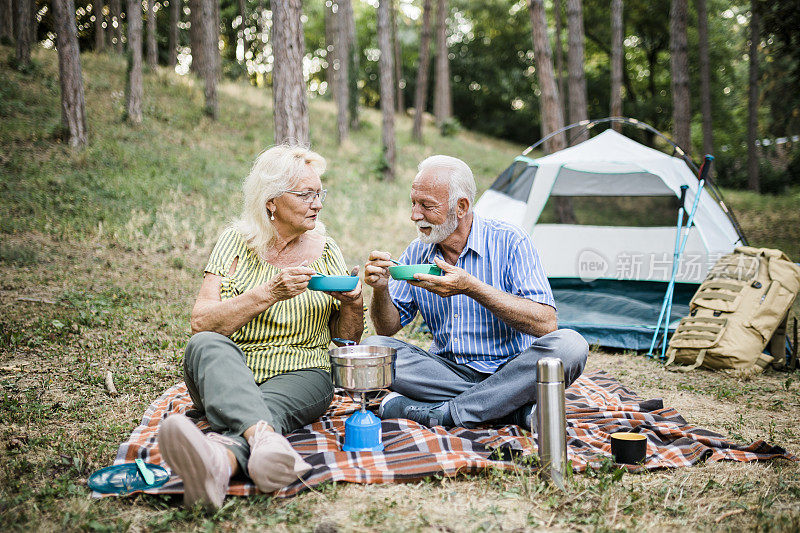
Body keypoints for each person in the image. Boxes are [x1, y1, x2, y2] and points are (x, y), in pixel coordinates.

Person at [158, 144, 363, 511]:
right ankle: (266, 444)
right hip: (231, 371)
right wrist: (270, 292)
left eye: (320, 193)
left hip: (302, 372)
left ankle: (219, 462)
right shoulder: (235, 242)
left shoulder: (328, 250)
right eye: (306, 194)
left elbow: (345, 337)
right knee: (204, 344)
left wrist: (354, 304)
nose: (317, 203)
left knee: (266, 408)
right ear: (271, 201)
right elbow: (202, 321)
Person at [362, 155, 588, 430]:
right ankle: (512, 410)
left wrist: (472, 288)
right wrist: (381, 290)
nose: (414, 215)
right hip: (445, 372)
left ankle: (446, 415)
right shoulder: (416, 251)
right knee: (374, 349)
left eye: (426, 206)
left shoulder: (510, 241)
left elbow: (546, 323)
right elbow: (387, 328)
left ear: (461, 206)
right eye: (413, 202)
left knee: (570, 345)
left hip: (512, 370)